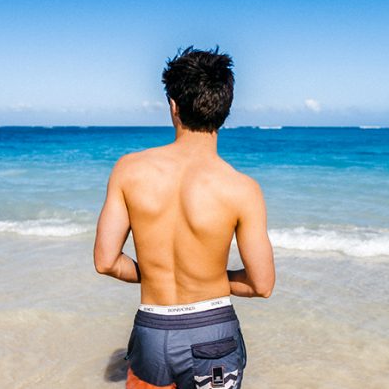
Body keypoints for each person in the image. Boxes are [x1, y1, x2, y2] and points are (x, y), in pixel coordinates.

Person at [93, 47, 275, 389]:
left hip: (152, 332)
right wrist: (206, 278)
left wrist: (158, 274)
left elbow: (106, 262)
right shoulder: (242, 188)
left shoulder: (128, 170)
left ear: (173, 105)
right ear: (225, 110)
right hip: (214, 333)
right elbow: (260, 284)